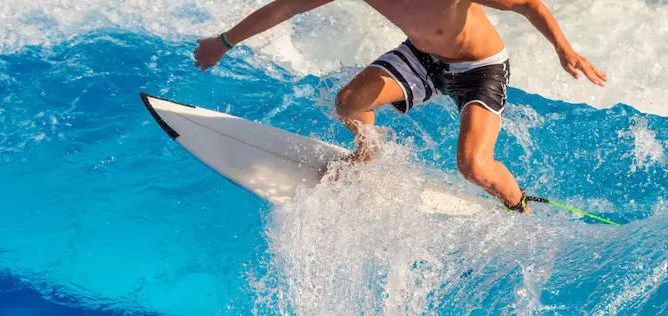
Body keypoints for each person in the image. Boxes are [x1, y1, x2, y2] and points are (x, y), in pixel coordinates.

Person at [193, 0, 607, 213]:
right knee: (349, 103)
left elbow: (527, 4)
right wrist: (224, 42)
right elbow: (288, 5)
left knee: (473, 167)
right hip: (423, 59)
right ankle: (368, 151)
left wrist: (564, 50)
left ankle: (517, 206)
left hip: (480, 68)